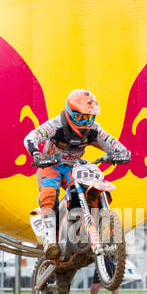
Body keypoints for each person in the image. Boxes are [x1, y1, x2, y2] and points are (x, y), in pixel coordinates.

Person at [24, 89, 131, 259]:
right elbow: (32, 137)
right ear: (69, 113)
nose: (85, 123)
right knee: (49, 192)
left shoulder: (94, 130)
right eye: (80, 117)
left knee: (88, 189)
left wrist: (123, 153)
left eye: (89, 118)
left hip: (74, 168)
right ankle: (50, 240)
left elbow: (113, 143)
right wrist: (37, 154)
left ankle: (87, 229)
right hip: (51, 164)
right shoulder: (56, 125)